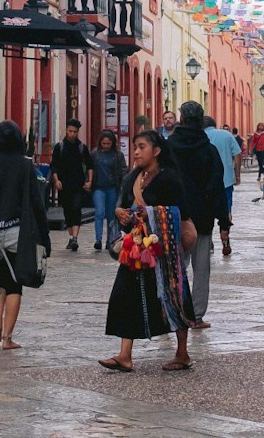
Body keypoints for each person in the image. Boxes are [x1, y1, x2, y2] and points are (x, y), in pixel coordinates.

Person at [98, 128, 196, 373]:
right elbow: (124, 208)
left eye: (142, 146)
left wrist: (152, 212)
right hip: (136, 249)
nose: (137, 151)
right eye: (135, 147)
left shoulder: (169, 178)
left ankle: (182, 352)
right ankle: (125, 355)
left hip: (163, 251)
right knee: (124, 294)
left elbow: (180, 211)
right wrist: (120, 213)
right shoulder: (133, 178)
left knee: (173, 295)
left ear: (157, 151)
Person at [0, 120, 50, 351]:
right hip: (16, 231)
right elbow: (37, 203)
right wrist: (44, 237)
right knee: (15, 283)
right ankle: (7, 337)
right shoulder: (24, 166)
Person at [164, 102, 223, 330]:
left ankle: (174, 312)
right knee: (201, 268)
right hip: (202, 216)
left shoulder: (168, 147)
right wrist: (223, 221)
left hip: (174, 215)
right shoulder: (209, 150)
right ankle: (196, 315)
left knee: (175, 267)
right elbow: (216, 184)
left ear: (181, 118)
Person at [48, 120, 94, 253]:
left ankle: (74, 238)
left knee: (76, 208)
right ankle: (71, 236)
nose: (72, 134)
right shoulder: (60, 147)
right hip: (64, 185)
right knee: (67, 211)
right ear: (66, 130)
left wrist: (89, 181)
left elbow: (90, 165)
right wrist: (56, 180)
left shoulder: (82, 147)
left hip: (78, 185)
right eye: (70, 131)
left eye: (75, 132)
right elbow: (54, 165)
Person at [205, 119, 243, 257]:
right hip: (226, 180)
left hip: (205, 182)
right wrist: (237, 174)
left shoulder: (199, 136)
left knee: (206, 211)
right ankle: (225, 239)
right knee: (226, 210)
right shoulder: (227, 135)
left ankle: (207, 241)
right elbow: (237, 154)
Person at [90, 129, 128, 255]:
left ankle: (110, 240)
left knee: (112, 215)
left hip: (112, 187)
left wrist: (123, 186)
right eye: (103, 143)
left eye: (108, 144)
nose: (105, 146)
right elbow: (89, 168)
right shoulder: (95, 154)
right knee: (99, 212)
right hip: (99, 187)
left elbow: (123, 171)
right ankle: (98, 239)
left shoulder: (117, 155)